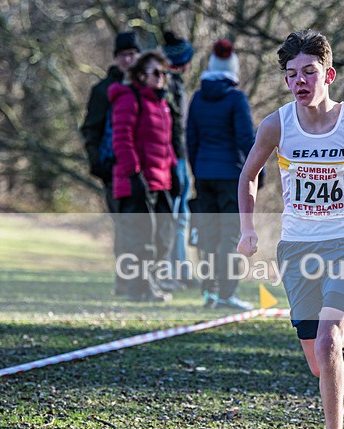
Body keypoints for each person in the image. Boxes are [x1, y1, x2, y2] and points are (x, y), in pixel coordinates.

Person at [236, 30, 344, 429]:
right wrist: (247, 229)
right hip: (297, 248)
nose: (299, 81)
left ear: (329, 75)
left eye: (308, 72)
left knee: (325, 342)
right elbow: (249, 176)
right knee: (320, 362)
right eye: (291, 74)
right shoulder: (277, 125)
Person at [187, 39, 256, 311]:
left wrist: (197, 170)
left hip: (204, 174)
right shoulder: (236, 99)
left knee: (208, 235)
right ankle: (226, 294)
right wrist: (255, 175)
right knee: (229, 236)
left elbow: (190, 139)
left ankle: (209, 293)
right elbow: (246, 139)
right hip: (231, 176)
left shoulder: (197, 98)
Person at [109, 51, 177, 302]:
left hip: (161, 181)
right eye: (156, 73)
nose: (161, 78)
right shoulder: (128, 98)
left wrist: (173, 170)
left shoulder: (162, 104)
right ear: (140, 75)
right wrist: (133, 174)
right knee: (142, 239)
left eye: (164, 73)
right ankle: (140, 289)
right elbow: (122, 139)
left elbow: (166, 144)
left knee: (164, 236)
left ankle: (148, 282)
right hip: (136, 181)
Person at [80, 31, 141, 295]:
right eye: (123, 55)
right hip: (114, 170)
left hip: (146, 170)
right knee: (125, 226)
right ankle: (126, 282)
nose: (128, 60)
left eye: (132, 54)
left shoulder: (147, 86)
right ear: (115, 59)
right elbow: (90, 130)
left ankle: (144, 281)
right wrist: (99, 165)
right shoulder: (103, 90)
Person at [162, 31, 196, 290]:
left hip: (180, 157)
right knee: (173, 216)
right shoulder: (167, 86)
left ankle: (181, 268)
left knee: (180, 215)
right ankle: (171, 271)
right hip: (172, 159)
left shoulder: (174, 84)